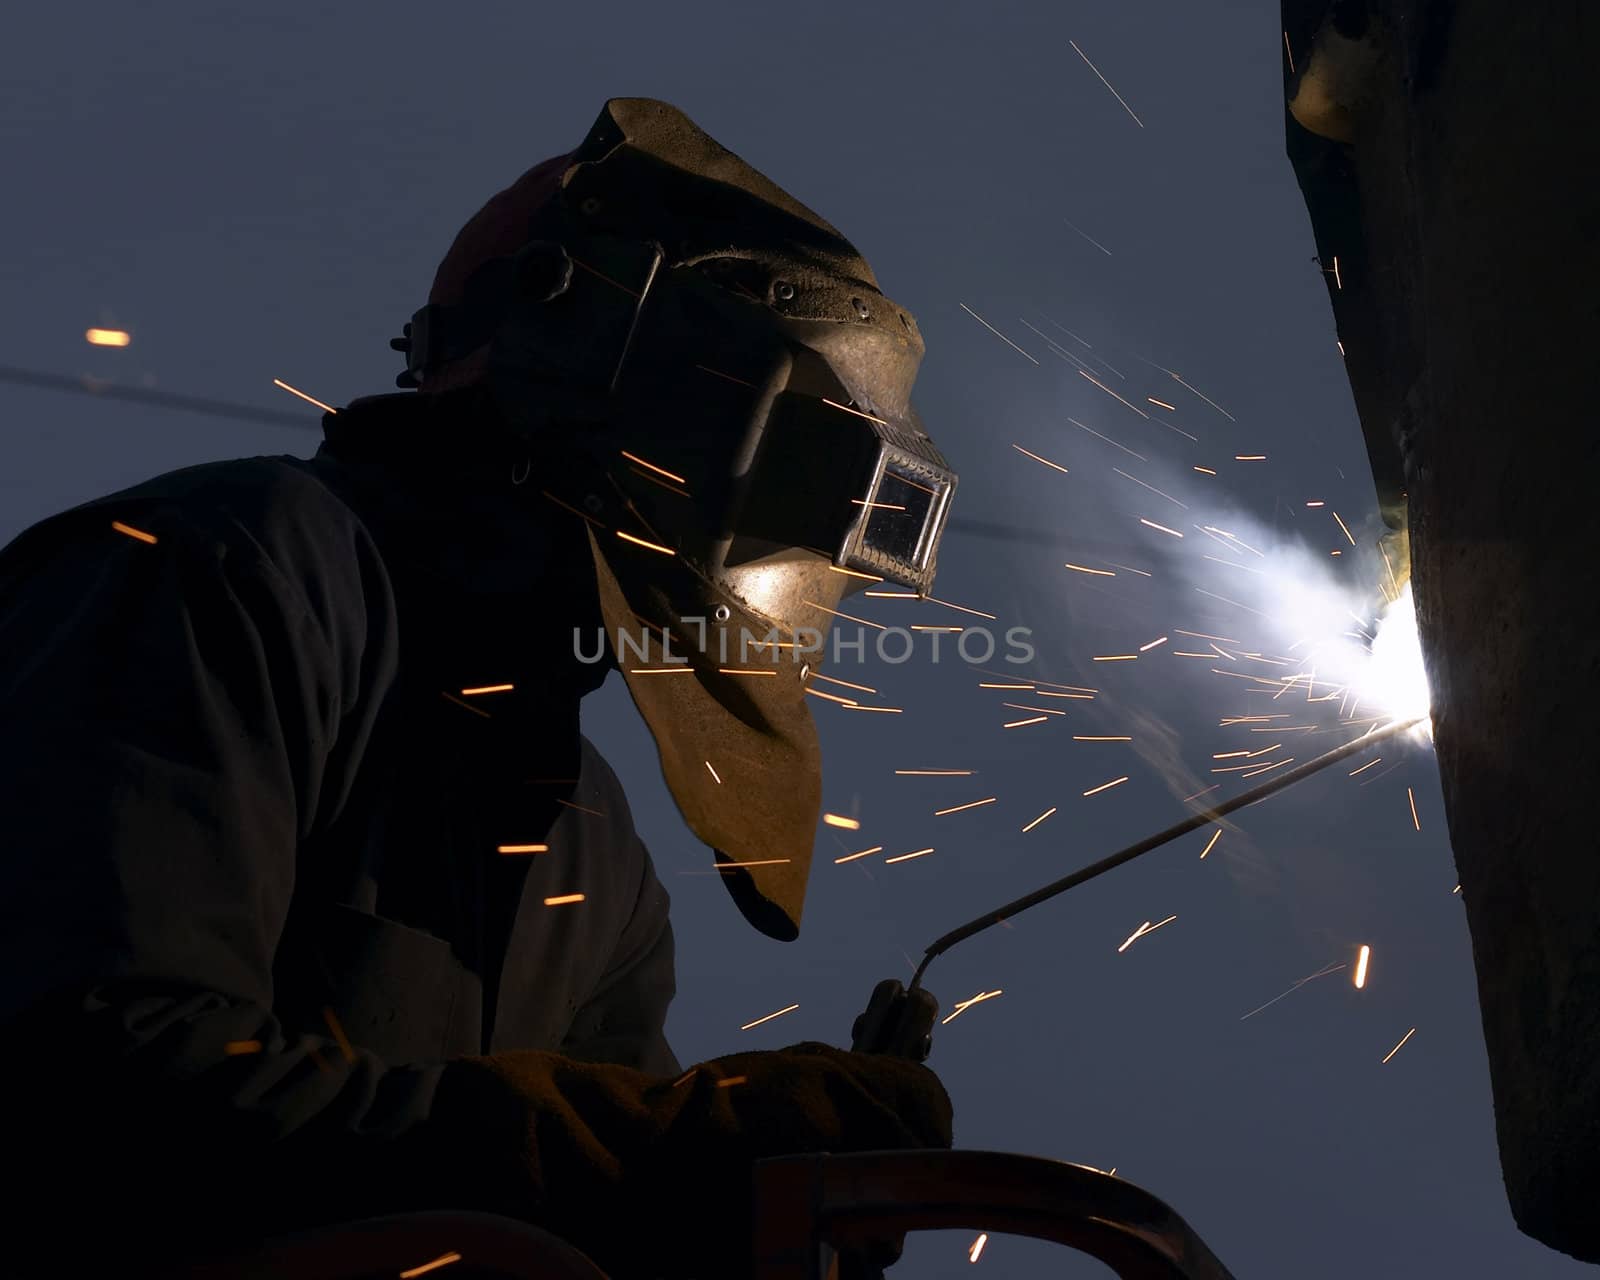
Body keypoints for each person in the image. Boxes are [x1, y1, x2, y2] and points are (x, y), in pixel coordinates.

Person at [0, 98, 958, 1279]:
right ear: (586, 345)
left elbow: (601, 1219)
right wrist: (636, 1154)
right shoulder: (227, 573)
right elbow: (86, 1094)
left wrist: (770, 1203)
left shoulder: (595, 852)